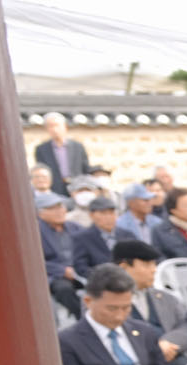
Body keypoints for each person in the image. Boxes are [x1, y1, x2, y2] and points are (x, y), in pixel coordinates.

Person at [112, 238, 187, 359]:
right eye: (147, 265)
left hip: (173, 356)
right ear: (124, 267)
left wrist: (167, 343)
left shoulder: (167, 298)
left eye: (154, 264)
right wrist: (155, 349)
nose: (154, 270)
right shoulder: (105, 303)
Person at [35, 190, 84, 318]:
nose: (59, 211)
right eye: (52, 208)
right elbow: (35, 261)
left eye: (60, 207)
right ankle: (83, 316)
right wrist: (62, 271)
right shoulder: (35, 232)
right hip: (56, 275)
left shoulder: (75, 227)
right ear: (41, 213)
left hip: (80, 270)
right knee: (64, 289)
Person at [33, 111, 91, 187]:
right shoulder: (42, 149)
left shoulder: (78, 147)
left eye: (56, 125)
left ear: (65, 126)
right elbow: (41, 169)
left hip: (77, 187)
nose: (54, 129)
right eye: (50, 126)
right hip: (54, 188)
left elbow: (85, 169)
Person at [71, 194, 121, 274]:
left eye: (111, 213)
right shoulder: (82, 238)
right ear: (91, 215)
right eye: (103, 213)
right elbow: (80, 267)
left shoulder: (127, 235)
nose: (109, 217)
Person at [116, 182, 159, 246]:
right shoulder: (120, 225)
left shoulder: (157, 222)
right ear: (131, 203)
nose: (149, 203)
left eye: (150, 200)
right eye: (145, 200)